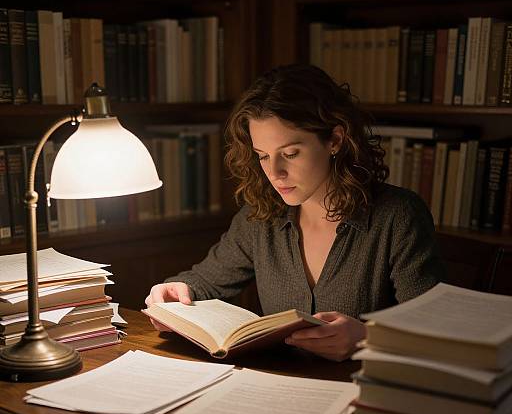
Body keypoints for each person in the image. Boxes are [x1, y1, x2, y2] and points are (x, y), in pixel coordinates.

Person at [145, 64, 445, 362]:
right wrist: (176, 291)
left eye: (290, 154)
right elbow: (205, 282)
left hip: (368, 395)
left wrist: (368, 338)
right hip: (281, 392)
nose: (275, 173)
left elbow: (434, 334)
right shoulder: (262, 216)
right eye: (263, 156)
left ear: (335, 140)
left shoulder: (398, 216)